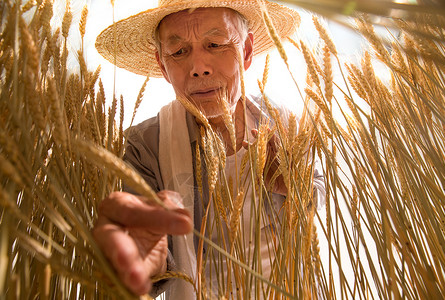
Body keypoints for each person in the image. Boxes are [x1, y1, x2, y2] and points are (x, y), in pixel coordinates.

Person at [93, 0, 309, 298]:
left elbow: (319, 197)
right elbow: (144, 250)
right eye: (179, 51)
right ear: (163, 66)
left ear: (246, 51)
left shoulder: (283, 121)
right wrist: (145, 259)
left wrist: (293, 186)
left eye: (216, 43)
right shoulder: (144, 145)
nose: (198, 68)